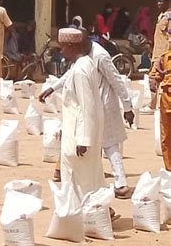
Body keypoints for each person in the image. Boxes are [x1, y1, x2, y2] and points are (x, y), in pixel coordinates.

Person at [40, 30, 135, 199]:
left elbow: (116, 80)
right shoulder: (82, 60)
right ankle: (62, 170)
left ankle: (120, 184)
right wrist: (53, 87)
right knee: (83, 144)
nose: (61, 51)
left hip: (101, 105)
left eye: (63, 47)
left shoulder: (100, 56)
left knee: (108, 144)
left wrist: (127, 106)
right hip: (88, 106)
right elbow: (71, 74)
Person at [55, 28, 105, 200]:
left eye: (62, 47)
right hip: (75, 127)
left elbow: (87, 105)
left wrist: (84, 139)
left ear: (71, 46)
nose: (61, 51)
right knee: (89, 174)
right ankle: (96, 210)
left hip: (79, 132)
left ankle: (83, 214)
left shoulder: (80, 70)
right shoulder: (84, 63)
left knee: (79, 175)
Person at [150, 34, 171, 169]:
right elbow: (154, 76)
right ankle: (169, 168)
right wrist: (153, 81)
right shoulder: (164, 58)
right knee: (166, 136)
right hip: (166, 101)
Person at [150, 0, 171, 111]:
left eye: (161, 2)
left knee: (153, 77)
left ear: (168, 3)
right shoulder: (161, 16)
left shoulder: (169, 17)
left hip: (163, 53)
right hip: (157, 52)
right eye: (158, 1)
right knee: (159, 79)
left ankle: (152, 105)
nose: (159, 4)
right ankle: (156, 104)